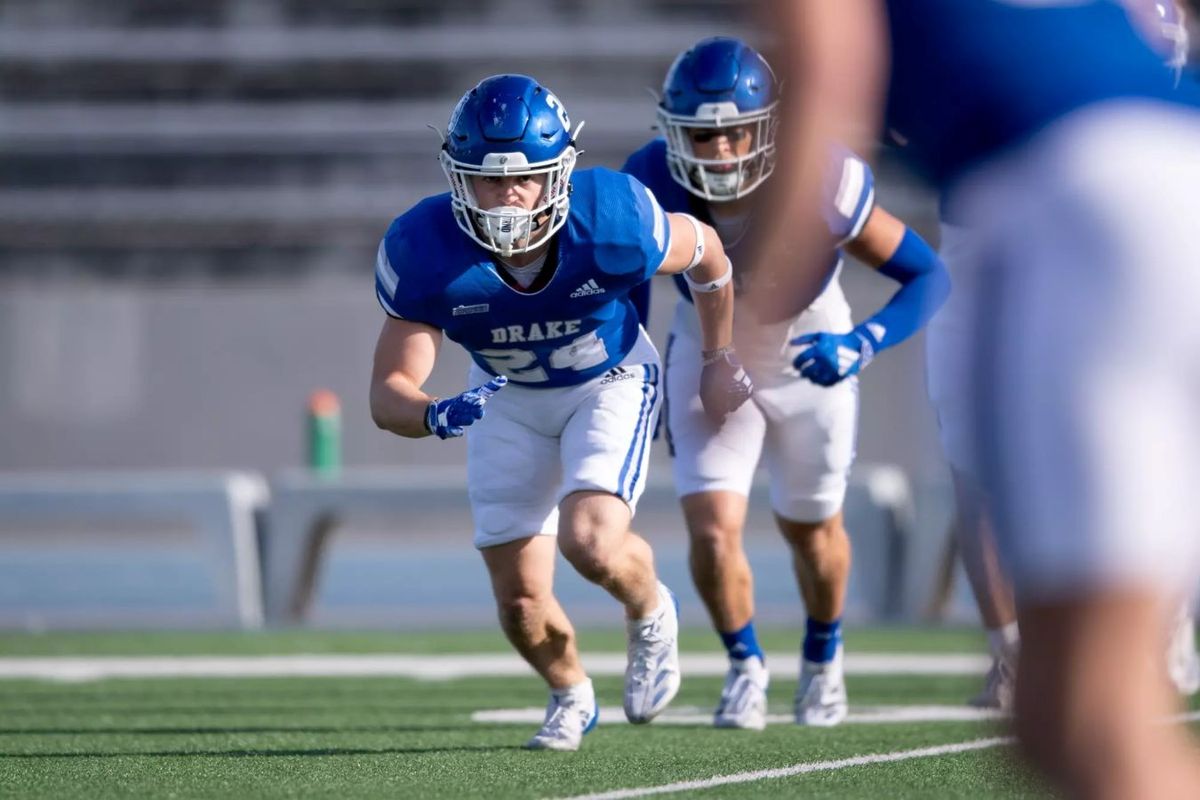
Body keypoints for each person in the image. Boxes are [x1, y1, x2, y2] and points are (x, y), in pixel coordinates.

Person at [747, 1, 1200, 796]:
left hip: (1072, 196)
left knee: (1090, 721)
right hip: (1150, 177)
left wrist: (750, 327)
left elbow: (828, 79)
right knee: (1059, 720)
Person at [369, 73, 752, 752]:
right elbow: (390, 390)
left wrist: (718, 357)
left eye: (526, 178)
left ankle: (650, 608)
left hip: (608, 379)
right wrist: (431, 414)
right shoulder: (425, 251)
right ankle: (572, 693)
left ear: (560, 174)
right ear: (461, 179)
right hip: (503, 400)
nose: (509, 194)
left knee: (591, 539)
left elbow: (710, 256)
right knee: (519, 602)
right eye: (489, 179)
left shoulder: (613, 218)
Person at [622, 37, 949, 730]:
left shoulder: (820, 177)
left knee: (812, 529)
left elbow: (928, 273)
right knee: (711, 532)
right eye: (702, 136)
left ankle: (823, 659)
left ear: (766, 127)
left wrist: (862, 343)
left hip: (809, 344)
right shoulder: (649, 178)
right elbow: (622, 290)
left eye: (733, 132)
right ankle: (745, 666)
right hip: (709, 348)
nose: (717, 153)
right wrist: (636, 375)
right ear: (675, 133)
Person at [924, 0, 1197, 712]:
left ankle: (1157, 626)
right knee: (979, 459)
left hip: (1100, 203)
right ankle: (1013, 649)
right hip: (990, 227)